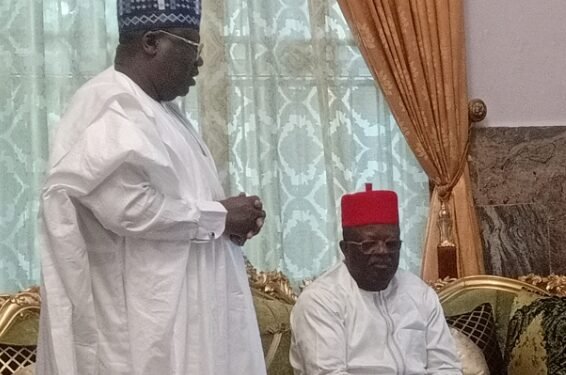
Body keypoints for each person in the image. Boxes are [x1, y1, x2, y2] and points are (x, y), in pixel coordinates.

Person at [37, 1, 267, 374]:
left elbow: (180, 205)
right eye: (193, 48)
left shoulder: (157, 108)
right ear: (151, 42)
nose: (200, 63)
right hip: (143, 332)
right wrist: (220, 217)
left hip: (184, 317)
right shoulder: (113, 106)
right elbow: (129, 209)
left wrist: (230, 222)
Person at [290, 184, 462, 374]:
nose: (383, 252)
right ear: (345, 248)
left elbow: (446, 366)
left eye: (392, 244)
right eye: (369, 244)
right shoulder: (320, 300)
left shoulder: (420, 294)